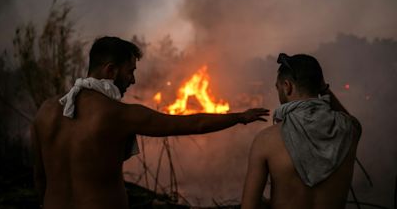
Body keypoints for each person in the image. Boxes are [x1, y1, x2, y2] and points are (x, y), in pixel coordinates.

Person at [30, 36, 270, 209]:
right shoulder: (118, 114)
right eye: (130, 71)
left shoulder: (46, 112)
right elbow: (192, 124)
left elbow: (40, 178)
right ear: (111, 70)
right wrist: (239, 117)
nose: (132, 80)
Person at [241, 53, 361, 209]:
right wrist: (323, 88)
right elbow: (347, 117)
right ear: (320, 86)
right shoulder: (349, 130)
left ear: (287, 86)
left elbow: (249, 207)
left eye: (278, 88)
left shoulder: (266, 141)